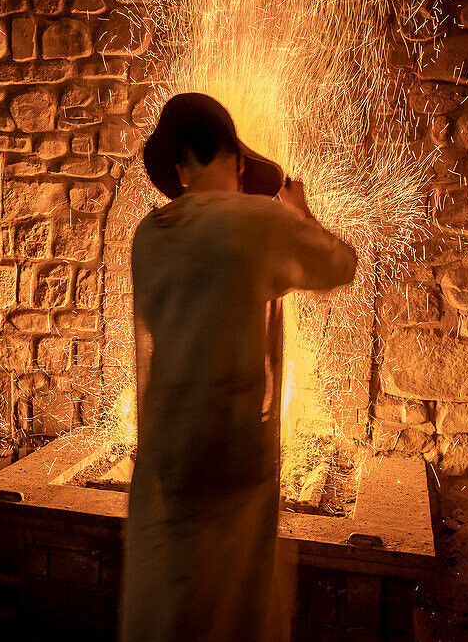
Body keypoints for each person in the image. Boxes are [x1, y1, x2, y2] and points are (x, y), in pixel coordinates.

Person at [122, 93, 357, 641]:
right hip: (233, 452)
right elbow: (338, 265)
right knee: (235, 608)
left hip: (168, 452)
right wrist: (300, 213)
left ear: (181, 169)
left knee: (176, 603)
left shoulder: (149, 235)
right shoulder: (260, 223)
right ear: (239, 161)